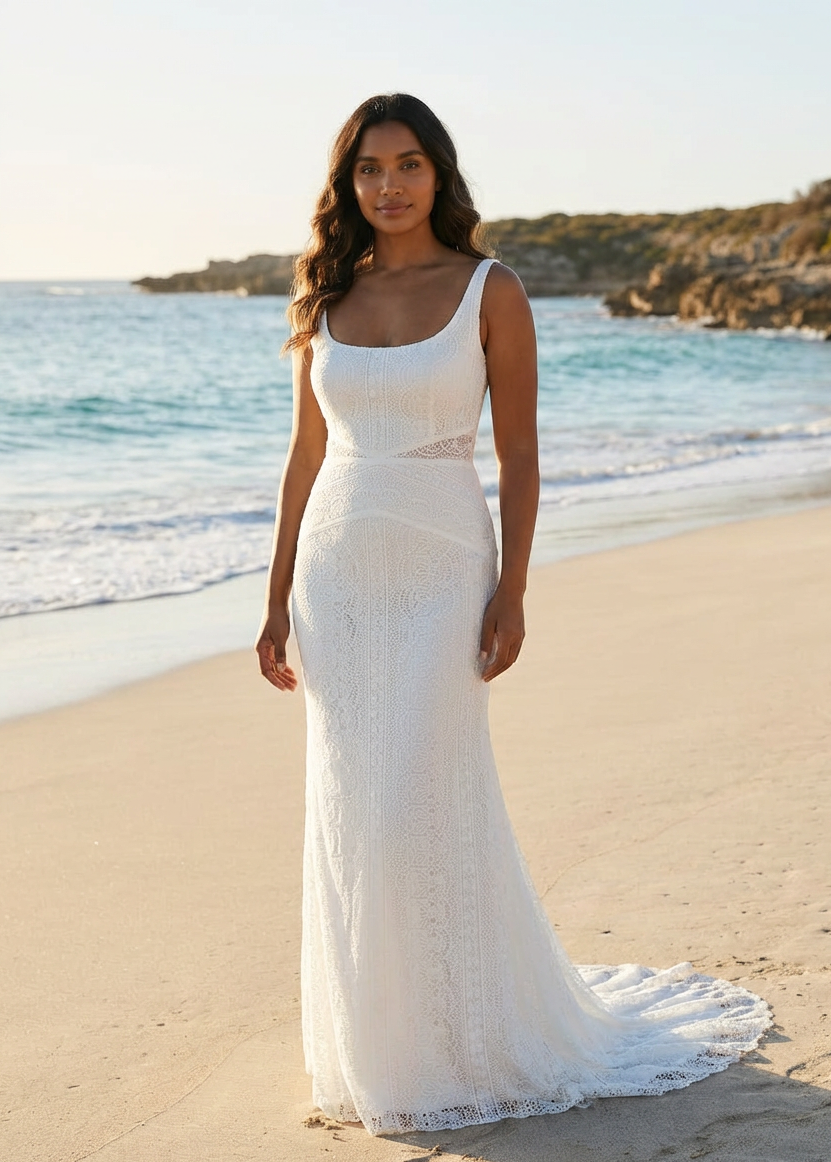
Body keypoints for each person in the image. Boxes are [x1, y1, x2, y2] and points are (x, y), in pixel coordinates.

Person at [255, 93, 770, 1136]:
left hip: (445, 568)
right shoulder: (328, 295)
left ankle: (463, 1036)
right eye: (369, 168)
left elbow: (521, 454)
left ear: (439, 173)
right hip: (337, 578)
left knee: (421, 798)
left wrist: (515, 588)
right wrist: (273, 598)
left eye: (408, 164)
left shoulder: (490, 289)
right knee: (354, 805)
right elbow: (306, 456)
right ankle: (381, 1050)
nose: (389, 185)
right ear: (347, 183)